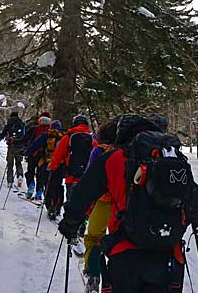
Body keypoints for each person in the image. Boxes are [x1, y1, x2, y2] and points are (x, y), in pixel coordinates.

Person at [59, 114, 198, 293]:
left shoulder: (114, 158)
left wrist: (70, 223)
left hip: (124, 252)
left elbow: (83, 194)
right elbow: (197, 201)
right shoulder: (172, 160)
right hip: (166, 251)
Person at [82, 119, 118, 293]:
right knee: (119, 240)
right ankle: (115, 280)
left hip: (103, 201)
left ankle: (94, 273)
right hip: (123, 204)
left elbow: (90, 177)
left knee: (94, 237)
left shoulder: (99, 150)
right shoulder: (129, 151)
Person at [48, 114, 96, 202]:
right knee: (83, 201)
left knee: (71, 200)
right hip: (86, 176)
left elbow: (58, 154)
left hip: (71, 175)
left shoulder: (68, 137)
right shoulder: (92, 140)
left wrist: (53, 167)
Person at [25, 119, 64, 205]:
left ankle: (46, 200)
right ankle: (56, 205)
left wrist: (27, 152)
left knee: (45, 180)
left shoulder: (46, 135)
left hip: (47, 163)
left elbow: (35, 145)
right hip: (60, 165)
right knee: (57, 185)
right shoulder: (64, 137)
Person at [24, 112, 51, 199]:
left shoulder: (34, 129)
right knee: (40, 174)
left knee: (30, 171)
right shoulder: (51, 131)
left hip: (33, 154)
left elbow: (25, 139)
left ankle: (31, 186)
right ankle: (39, 192)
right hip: (44, 157)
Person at [0, 111, 26, 189]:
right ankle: (20, 175)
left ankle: (10, 181)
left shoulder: (9, 124)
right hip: (20, 146)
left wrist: (0, 137)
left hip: (11, 146)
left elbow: (3, 133)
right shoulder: (21, 124)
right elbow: (24, 135)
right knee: (18, 162)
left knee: (10, 164)